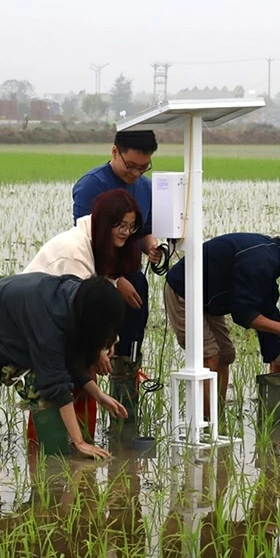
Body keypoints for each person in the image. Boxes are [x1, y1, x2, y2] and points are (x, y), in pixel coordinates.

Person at [0, 273, 128, 459]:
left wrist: (98, 395)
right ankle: (56, 464)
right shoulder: (50, 324)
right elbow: (56, 384)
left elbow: (69, 358)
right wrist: (79, 442)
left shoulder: (77, 297)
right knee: (39, 389)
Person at [164, 231, 280, 413]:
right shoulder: (260, 260)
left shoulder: (270, 260)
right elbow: (243, 313)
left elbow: (268, 310)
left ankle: (217, 416)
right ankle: (206, 424)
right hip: (184, 291)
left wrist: (275, 358)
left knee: (225, 355)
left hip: (208, 299)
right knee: (209, 356)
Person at [22, 188, 144, 431]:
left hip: (62, 324)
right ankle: (52, 454)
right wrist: (97, 350)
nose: (126, 233)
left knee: (83, 384)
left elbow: (99, 300)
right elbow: (83, 312)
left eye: (131, 227)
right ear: (105, 222)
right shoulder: (73, 254)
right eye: (120, 225)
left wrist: (106, 343)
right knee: (57, 389)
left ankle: (79, 449)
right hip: (39, 327)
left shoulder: (99, 243)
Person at [72, 129, 161, 419]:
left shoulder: (145, 187)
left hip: (131, 275)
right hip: (97, 278)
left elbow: (144, 231)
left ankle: (124, 412)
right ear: (114, 152)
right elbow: (91, 240)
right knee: (94, 346)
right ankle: (85, 417)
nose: (135, 173)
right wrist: (114, 281)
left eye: (143, 167)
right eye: (130, 165)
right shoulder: (91, 186)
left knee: (130, 344)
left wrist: (151, 247)